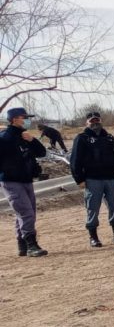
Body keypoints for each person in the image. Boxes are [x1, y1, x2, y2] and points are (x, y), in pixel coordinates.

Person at [69, 110, 114, 247]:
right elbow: (75, 161)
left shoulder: (109, 138)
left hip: (110, 178)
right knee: (93, 208)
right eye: (92, 121)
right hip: (92, 179)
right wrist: (79, 179)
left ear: (101, 121)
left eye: (97, 120)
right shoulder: (81, 138)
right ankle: (93, 237)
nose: (95, 123)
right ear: (87, 123)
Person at [0, 107, 48, 256]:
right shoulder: (4, 138)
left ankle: (22, 245)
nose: (27, 120)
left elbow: (42, 153)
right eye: (24, 117)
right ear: (14, 119)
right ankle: (31, 245)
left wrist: (33, 140)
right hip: (11, 180)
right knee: (26, 212)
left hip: (27, 179)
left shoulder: (25, 136)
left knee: (28, 212)